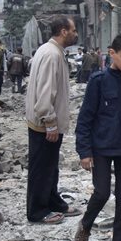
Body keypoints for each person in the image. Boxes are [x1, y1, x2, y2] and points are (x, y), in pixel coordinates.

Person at [74, 33, 121, 241]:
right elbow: (85, 119)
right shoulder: (98, 81)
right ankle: (85, 225)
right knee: (102, 192)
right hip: (101, 148)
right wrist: (84, 152)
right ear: (111, 53)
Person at [25, 15, 83, 224]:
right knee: (41, 168)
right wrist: (49, 121)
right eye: (73, 30)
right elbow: (45, 91)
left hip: (46, 122)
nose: (76, 33)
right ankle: (37, 211)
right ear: (63, 31)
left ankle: (53, 201)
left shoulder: (50, 50)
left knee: (50, 166)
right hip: (44, 124)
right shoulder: (51, 55)